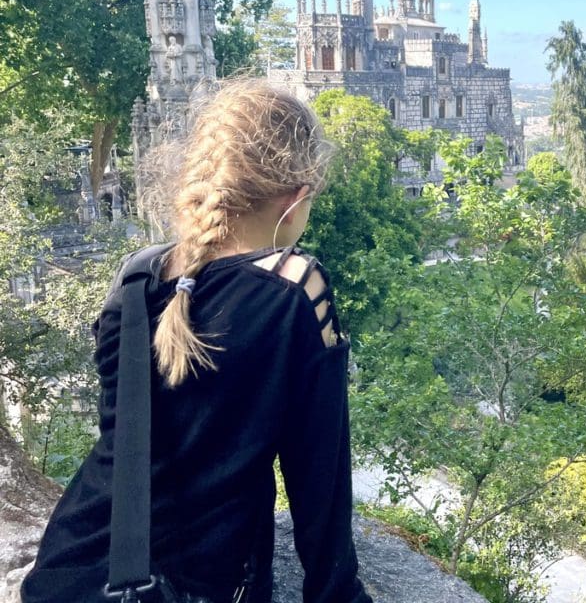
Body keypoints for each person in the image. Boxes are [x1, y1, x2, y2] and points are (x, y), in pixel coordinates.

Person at [22, 80, 372, 603]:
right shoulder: (295, 287)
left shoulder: (136, 276)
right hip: (189, 586)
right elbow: (319, 489)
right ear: (297, 197)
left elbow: (124, 438)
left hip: (67, 570)